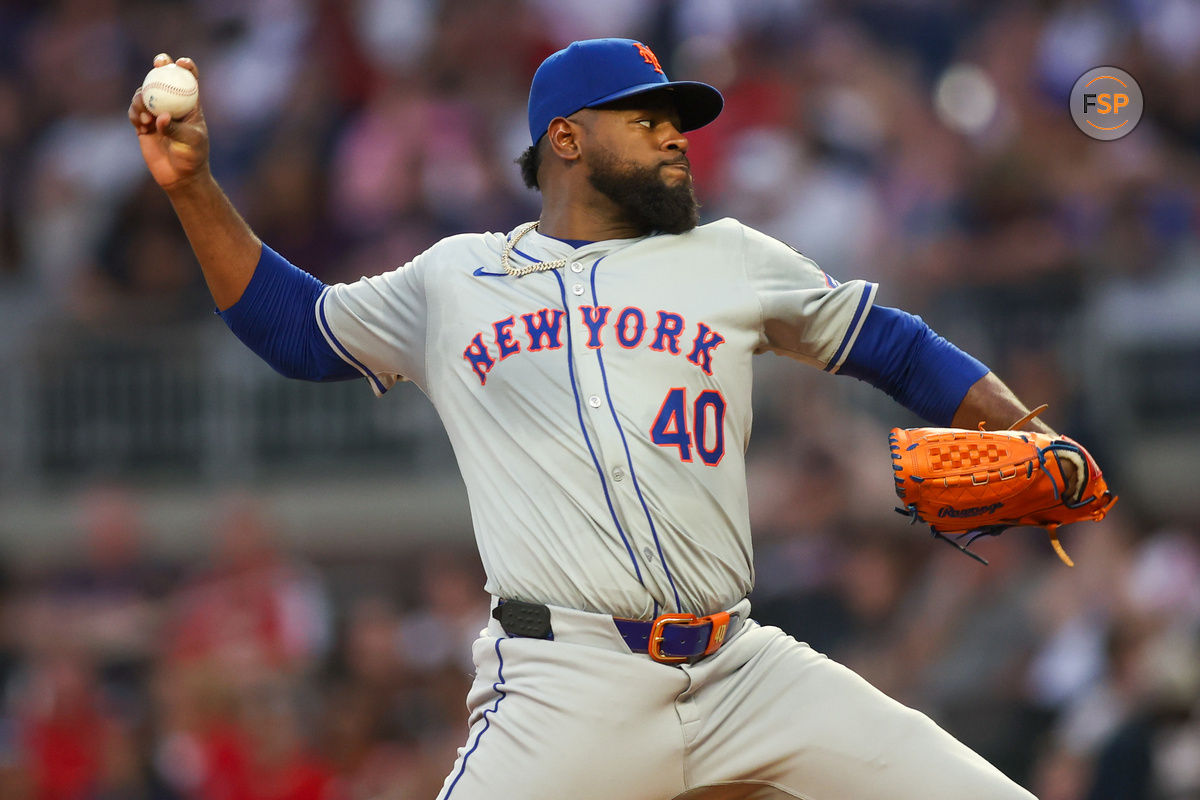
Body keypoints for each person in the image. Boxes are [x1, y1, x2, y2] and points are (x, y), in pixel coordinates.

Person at [128, 38, 1064, 799]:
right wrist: (192, 188)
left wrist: (1025, 435)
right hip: (568, 684)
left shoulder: (728, 256)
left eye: (678, 122)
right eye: (647, 119)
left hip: (743, 670)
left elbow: (895, 345)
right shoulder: (456, 278)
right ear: (566, 140)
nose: (675, 138)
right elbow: (295, 329)